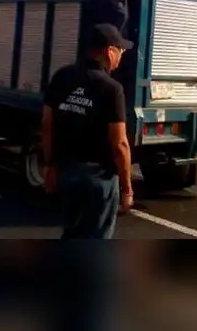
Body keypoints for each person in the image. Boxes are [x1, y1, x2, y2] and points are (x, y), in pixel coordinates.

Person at [40, 23, 135, 239]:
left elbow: (47, 124)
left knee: (71, 233)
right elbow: (119, 144)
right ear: (109, 52)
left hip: (67, 173)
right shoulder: (112, 89)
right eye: (120, 50)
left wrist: (49, 164)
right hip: (98, 180)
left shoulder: (61, 77)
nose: (121, 56)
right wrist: (127, 188)